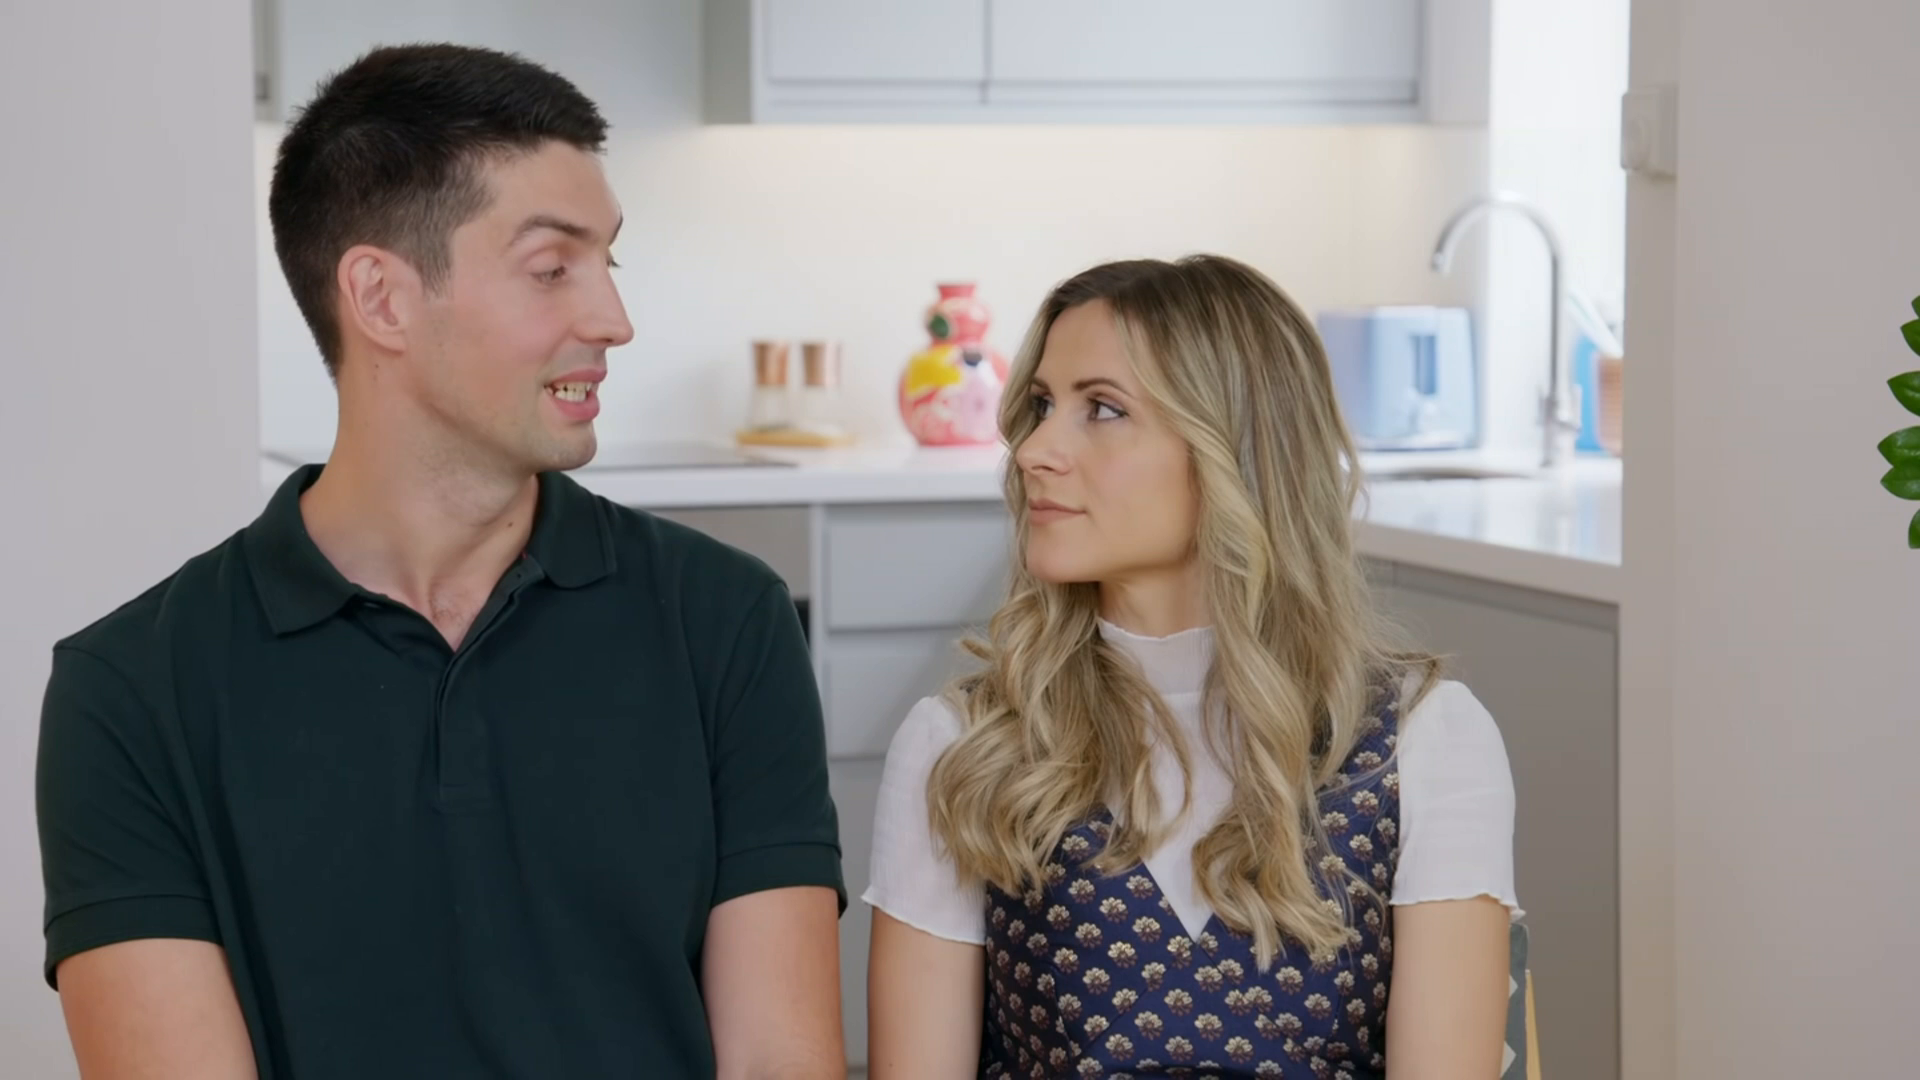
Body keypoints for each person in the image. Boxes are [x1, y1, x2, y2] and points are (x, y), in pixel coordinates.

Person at [35, 44, 844, 1079]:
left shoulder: (725, 622)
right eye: (552, 269)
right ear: (381, 298)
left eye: (608, 264)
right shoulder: (130, 691)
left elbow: (778, 1058)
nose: (613, 320)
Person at [863, 256, 1520, 1078]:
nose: (1033, 451)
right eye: (1042, 406)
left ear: (1236, 450)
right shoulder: (961, 748)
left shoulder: (1427, 744)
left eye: (1103, 409)